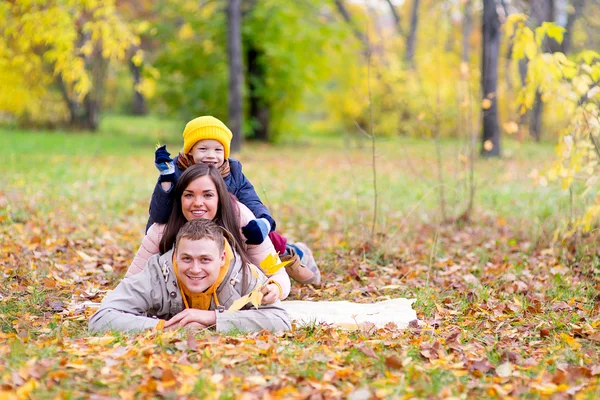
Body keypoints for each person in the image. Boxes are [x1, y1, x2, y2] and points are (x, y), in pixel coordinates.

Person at [147, 115, 320, 285]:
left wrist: (264, 222)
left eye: (218, 150)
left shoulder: (233, 173)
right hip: (188, 228)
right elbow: (159, 215)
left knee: (262, 235)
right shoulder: (175, 172)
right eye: (203, 149)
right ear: (190, 150)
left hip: (227, 226)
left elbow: (252, 201)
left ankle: (292, 254)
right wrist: (166, 179)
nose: (211, 155)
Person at [89, 219, 291, 333]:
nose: (195, 269)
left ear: (222, 258)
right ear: (175, 256)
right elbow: (101, 318)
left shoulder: (244, 274)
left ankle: (299, 255)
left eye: (205, 260)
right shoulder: (157, 273)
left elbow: (280, 319)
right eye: (186, 259)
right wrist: (165, 327)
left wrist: (211, 319)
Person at [129, 163, 290, 303]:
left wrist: (275, 288)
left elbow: (279, 276)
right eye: (189, 195)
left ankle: (295, 253)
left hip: (233, 296)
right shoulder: (161, 230)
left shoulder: (242, 219)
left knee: (288, 251)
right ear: (179, 198)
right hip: (179, 302)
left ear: (219, 198)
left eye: (208, 195)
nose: (198, 203)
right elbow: (130, 284)